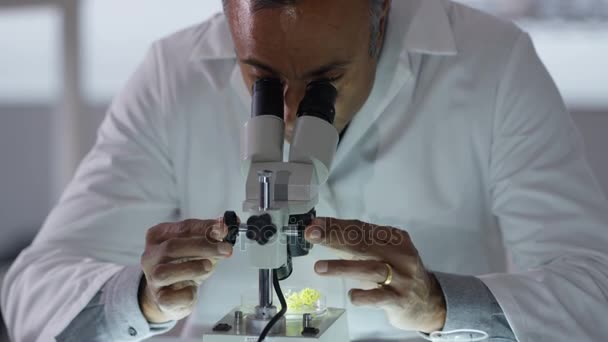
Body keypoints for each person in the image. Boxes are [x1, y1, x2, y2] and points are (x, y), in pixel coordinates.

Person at [2, 0, 608, 341]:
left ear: (381, 19)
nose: (289, 112)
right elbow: (31, 291)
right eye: (261, 77)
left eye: (324, 82)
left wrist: (444, 304)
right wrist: (137, 299)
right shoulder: (174, 74)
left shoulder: (493, 66)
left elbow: (594, 293)